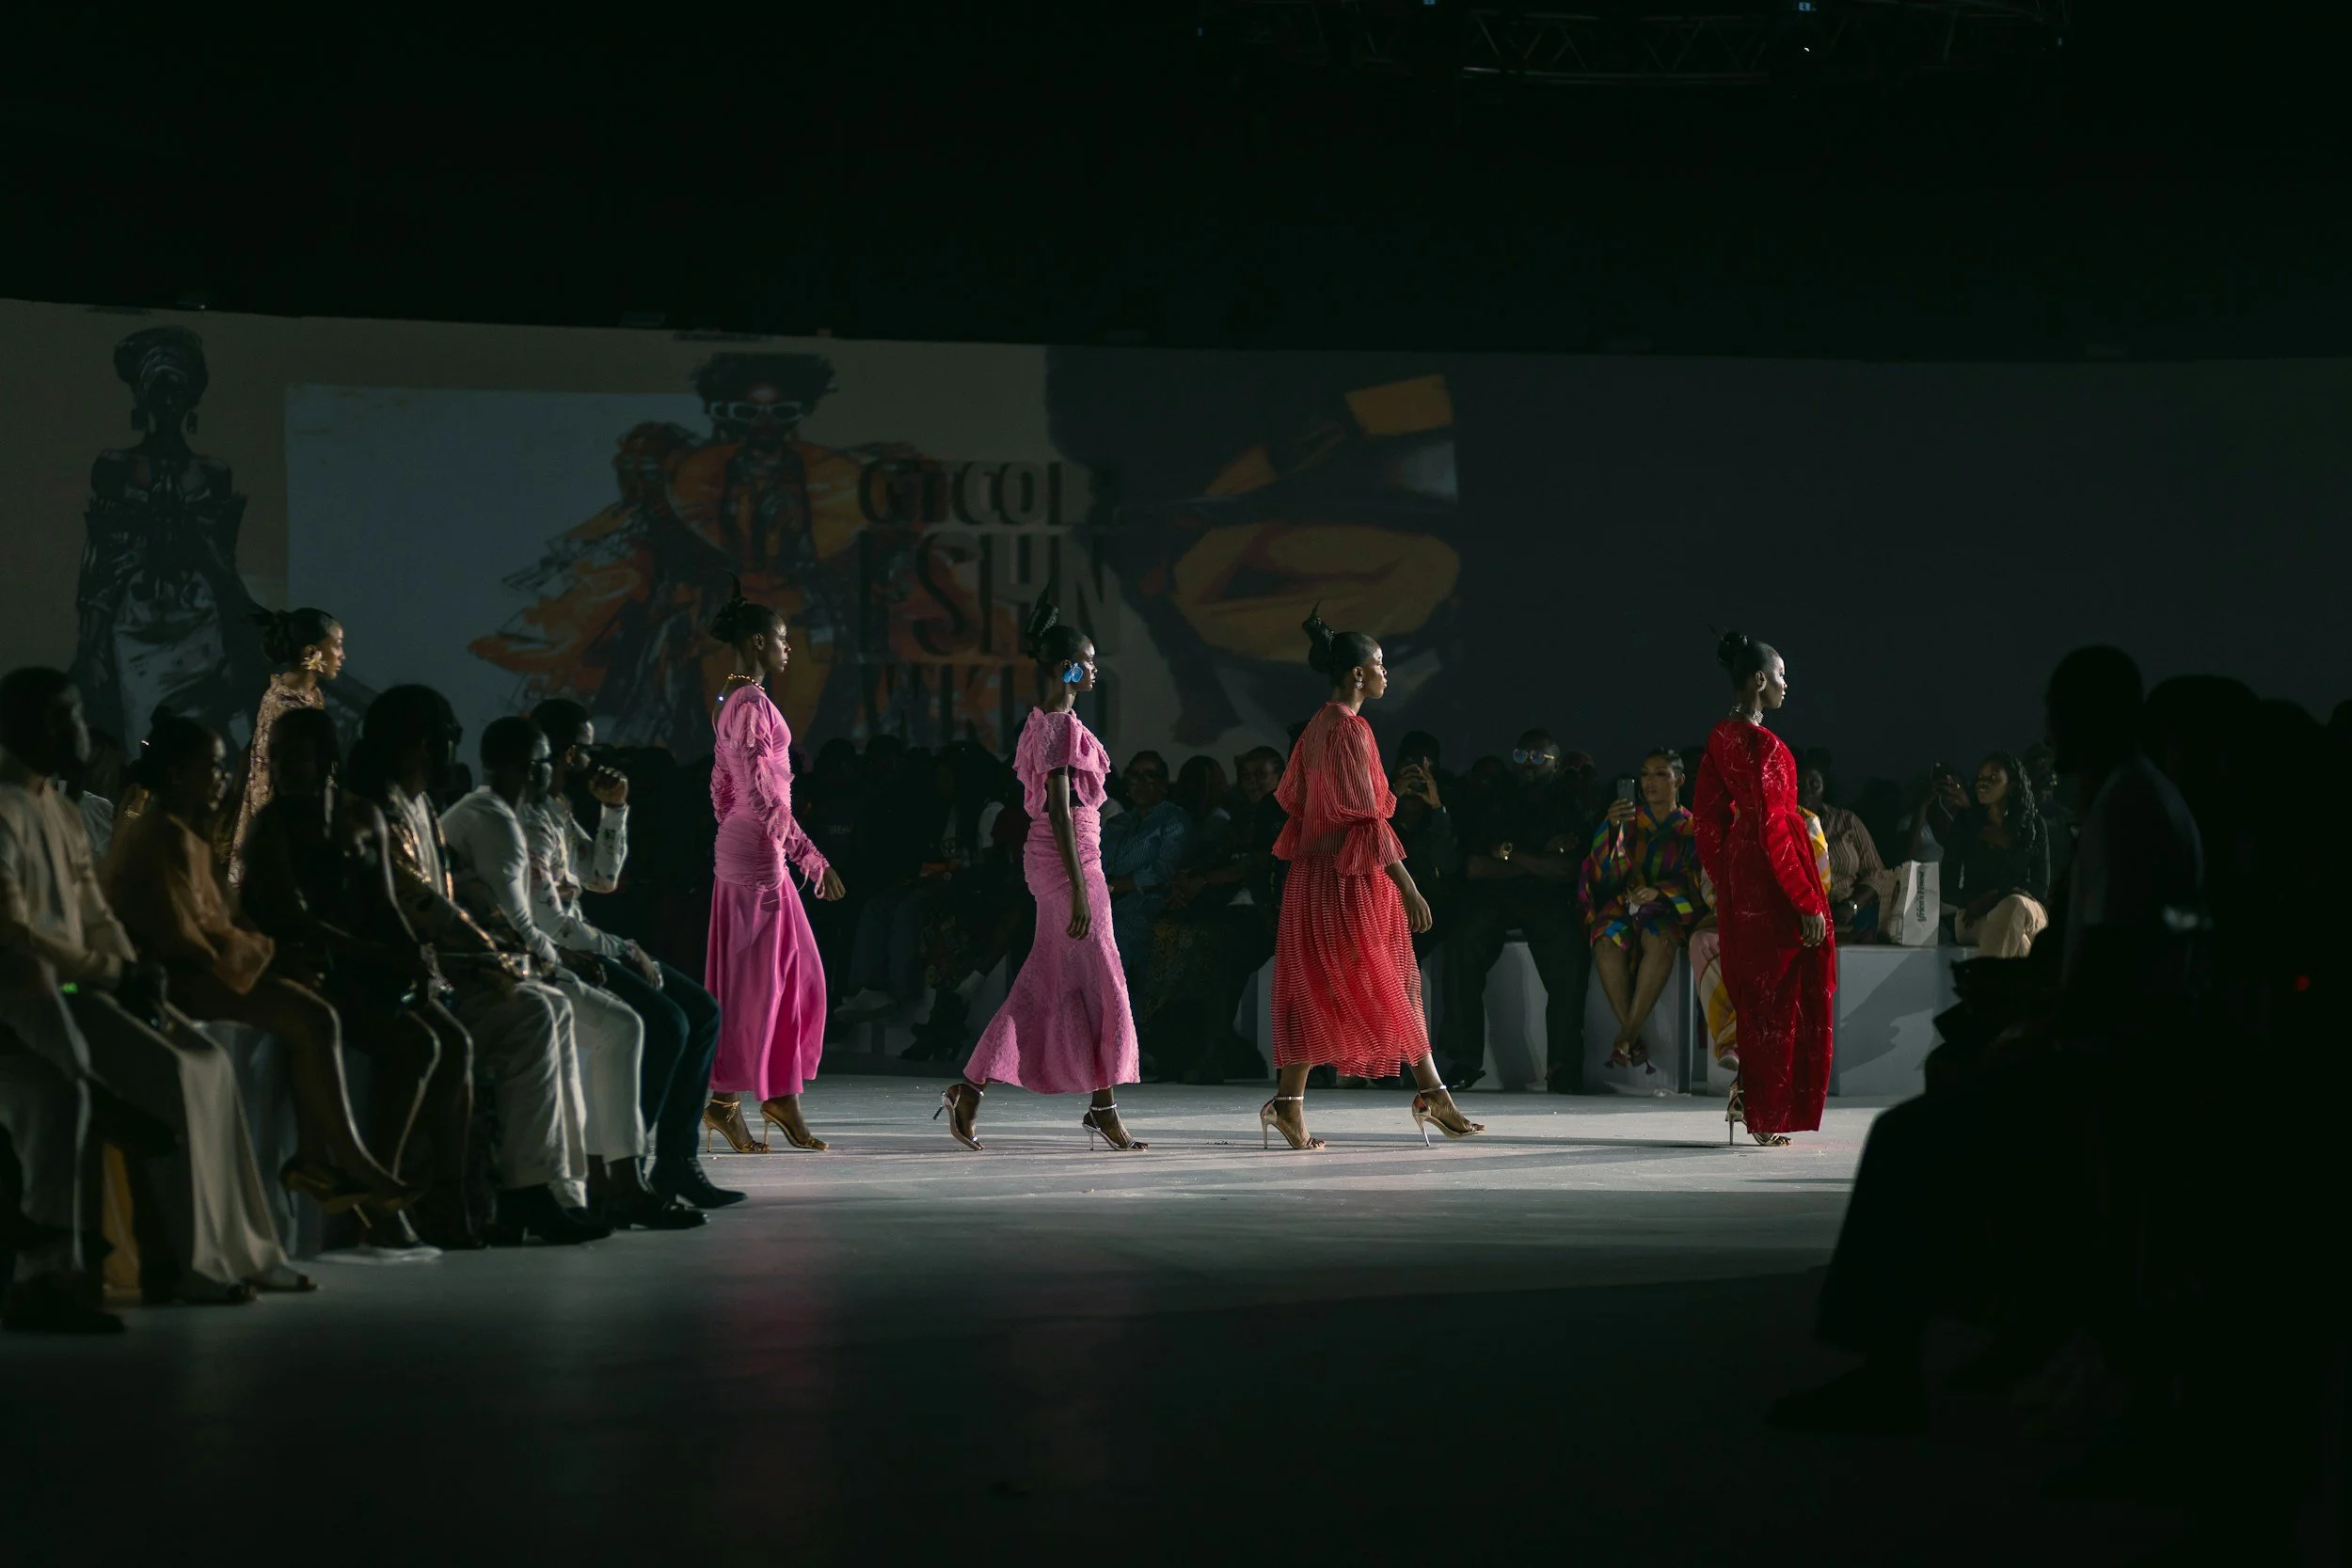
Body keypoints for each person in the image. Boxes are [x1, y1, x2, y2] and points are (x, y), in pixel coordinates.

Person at [0, 669, 300, 1306]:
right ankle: (173, 1259)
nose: (78, 731)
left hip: (83, 985)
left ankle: (218, 1248)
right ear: (19, 724)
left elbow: (92, 909)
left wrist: (128, 971)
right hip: (30, 994)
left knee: (208, 1062)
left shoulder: (57, 805)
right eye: (62, 718)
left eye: (75, 716)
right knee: (164, 1074)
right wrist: (113, 972)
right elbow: (15, 935)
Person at [104, 707, 415, 1224]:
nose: (226, 779)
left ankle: (321, 1158)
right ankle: (349, 1161)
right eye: (215, 767)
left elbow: (227, 919)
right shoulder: (160, 836)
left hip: (208, 968)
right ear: (180, 774)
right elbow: (186, 939)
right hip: (180, 979)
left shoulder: (185, 832)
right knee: (315, 1017)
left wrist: (272, 959)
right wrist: (268, 963)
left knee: (312, 1011)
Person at [353, 686, 609, 1246]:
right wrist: (497, 957)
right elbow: (420, 903)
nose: (455, 751)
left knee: (549, 1008)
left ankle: (552, 1186)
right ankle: (523, 1189)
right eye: (448, 738)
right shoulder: (384, 807)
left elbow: (455, 899)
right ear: (425, 744)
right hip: (403, 981)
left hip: (445, 970)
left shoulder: (417, 802)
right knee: (536, 1014)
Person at [239, 707, 475, 1248]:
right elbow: (294, 922)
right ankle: (378, 1196)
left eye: (294, 757)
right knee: (415, 1045)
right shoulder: (271, 826)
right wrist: (381, 956)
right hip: (315, 967)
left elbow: (386, 903)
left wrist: (412, 955)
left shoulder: (362, 816)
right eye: (275, 758)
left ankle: (450, 1192)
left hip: (365, 966)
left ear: (325, 759)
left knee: (456, 1043)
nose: (283, 769)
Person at [443, 719, 690, 1229]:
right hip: (519, 961)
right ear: (541, 760)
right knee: (632, 1025)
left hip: (546, 952)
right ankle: (617, 1178)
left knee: (647, 1021)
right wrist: (594, 955)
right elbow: (533, 923)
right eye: (572, 752)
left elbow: (601, 877)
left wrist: (615, 810)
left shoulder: (543, 811)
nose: (581, 762)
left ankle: (614, 1176)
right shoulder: (507, 820)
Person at [1261, 608, 1481, 1151]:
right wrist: (1408, 886)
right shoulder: (1351, 730)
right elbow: (1366, 817)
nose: (1388, 673)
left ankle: (1289, 1104)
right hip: (1348, 880)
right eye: (1380, 664)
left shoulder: (1318, 726)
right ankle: (1434, 1095)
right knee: (1389, 984)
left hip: (1314, 878)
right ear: (1357, 674)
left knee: (1319, 989)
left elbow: (1295, 801)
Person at [939, 596, 1145, 1151]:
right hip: (1068, 863)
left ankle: (985, 1091)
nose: (1096, 669)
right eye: (1089, 661)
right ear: (1068, 668)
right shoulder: (1055, 727)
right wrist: (1079, 889)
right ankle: (1089, 1106)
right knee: (1098, 978)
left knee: (1062, 982)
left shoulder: (1052, 722)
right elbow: (1057, 808)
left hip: (1068, 856)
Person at [527, 699, 739, 1209]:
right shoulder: (529, 816)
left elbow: (600, 878)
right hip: (560, 954)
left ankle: (676, 1162)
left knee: (703, 1011)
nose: (596, 758)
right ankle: (627, 1167)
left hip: (586, 941)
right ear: (571, 751)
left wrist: (615, 810)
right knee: (668, 1024)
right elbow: (548, 921)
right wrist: (622, 948)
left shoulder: (557, 808)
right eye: (587, 746)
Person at [704, 585, 845, 1152]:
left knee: (780, 982)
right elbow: (762, 799)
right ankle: (734, 1100)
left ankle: (767, 1097)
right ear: (758, 641)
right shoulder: (752, 705)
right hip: (760, 858)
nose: (790, 648)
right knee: (769, 987)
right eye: (783, 639)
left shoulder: (730, 700)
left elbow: (721, 787)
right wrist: (813, 859)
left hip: (745, 850)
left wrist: (728, 830)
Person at [1692, 631, 1835, 1147]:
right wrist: (1804, 898)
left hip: (1741, 873)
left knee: (1754, 993)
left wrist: (1727, 870)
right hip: (1776, 874)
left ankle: (1750, 1097)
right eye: (1779, 676)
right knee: (1785, 992)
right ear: (1758, 680)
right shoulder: (1766, 745)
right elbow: (1776, 827)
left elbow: (1706, 820)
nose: (1785, 685)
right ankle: (1767, 1112)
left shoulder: (1718, 737)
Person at [1440, 728, 1592, 1093]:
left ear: (1556, 765)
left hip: (1547, 900)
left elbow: (1566, 870)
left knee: (1569, 955)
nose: (1527, 764)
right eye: (1521, 755)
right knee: (1461, 945)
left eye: (1538, 758)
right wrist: (1538, 858)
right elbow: (1475, 866)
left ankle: (1562, 1066)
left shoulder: (1567, 803)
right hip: (1494, 897)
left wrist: (1508, 854)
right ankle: (1465, 1060)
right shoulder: (1497, 799)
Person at [1581, 749, 1703, 1074]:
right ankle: (1630, 1037)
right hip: (1627, 904)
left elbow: (1698, 880)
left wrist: (1660, 890)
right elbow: (1604, 875)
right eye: (1645, 774)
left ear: (1679, 780)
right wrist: (1612, 829)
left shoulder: (1692, 827)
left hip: (1667, 908)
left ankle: (1625, 1037)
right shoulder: (1628, 819)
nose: (1650, 782)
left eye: (1661, 774)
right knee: (1605, 938)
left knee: (1660, 940)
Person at [226, 607, 345, 887]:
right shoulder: (281, 706)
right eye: (337, 646)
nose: (342, 655)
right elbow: (266, 782)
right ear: (310, 653)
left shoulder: (310, 698)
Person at [1916, 752, 2051, 958]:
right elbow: (1948, 888)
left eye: (1993, 779)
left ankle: (1986, 986)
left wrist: (1997, 896)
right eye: (1980, 778)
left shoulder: (2034, 826)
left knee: (2013, 905)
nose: (1982, 783)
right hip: (1973, 916)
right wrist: (1976, 901)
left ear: (2012, 786)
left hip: (2027, 911)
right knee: (2020, 944)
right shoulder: (1966, 824)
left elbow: (2040, 888)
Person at [1097, 750, 1187, 988]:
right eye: (1134, 776)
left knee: (1117, 936)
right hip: (1104, 901)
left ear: (1163, 783)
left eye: (1150, 776)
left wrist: (1114, 887)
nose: (1141, 783)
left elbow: (1164, 871)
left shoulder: (1173, 819)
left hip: (1145, 904)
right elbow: (1098, 862)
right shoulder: (1118, 822)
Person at [1797, 751, 1893, 943]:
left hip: (1849, 917)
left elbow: (1876, 872)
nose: (1807, 790)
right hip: (1802, 919)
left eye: (1814, 784)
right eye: (1800, 784)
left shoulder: (1846, 821)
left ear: (1824, 787)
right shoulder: (1783, 825)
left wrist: (1853, 905)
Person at [1391, 733, 1458, 960]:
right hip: (1386, 904)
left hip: (1430, 906)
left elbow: (1448, 863)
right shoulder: (1378, 797)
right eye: (1409, 760)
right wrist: (1392, 796)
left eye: (1424, 763)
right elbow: (1369, 841)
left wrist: (1438, 809)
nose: (1416, 770)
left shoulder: (1447, 801)